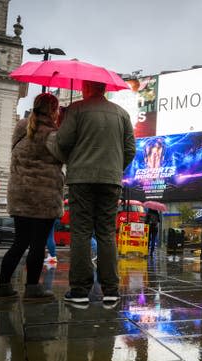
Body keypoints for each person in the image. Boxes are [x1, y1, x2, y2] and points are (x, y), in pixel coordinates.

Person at [51, 80, 135, 305]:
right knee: (107, 232)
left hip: (81, 179)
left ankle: (79, 290)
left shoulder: (76, 109)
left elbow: (63, 142)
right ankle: (111, 289)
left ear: (86, 89)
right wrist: (115, 168)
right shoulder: (122, 114)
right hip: (110, 180)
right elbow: (130, 150)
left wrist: (61, 126)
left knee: (81, 232)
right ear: (104, 89)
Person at [0, 93, 64, 300]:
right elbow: (64, 156)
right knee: (38, 244)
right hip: (44, 196)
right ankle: (32, 288)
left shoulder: (21, 127)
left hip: (20, 194)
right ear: (53, 110)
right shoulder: (52, 135)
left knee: (19, 242)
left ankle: (2, 286)